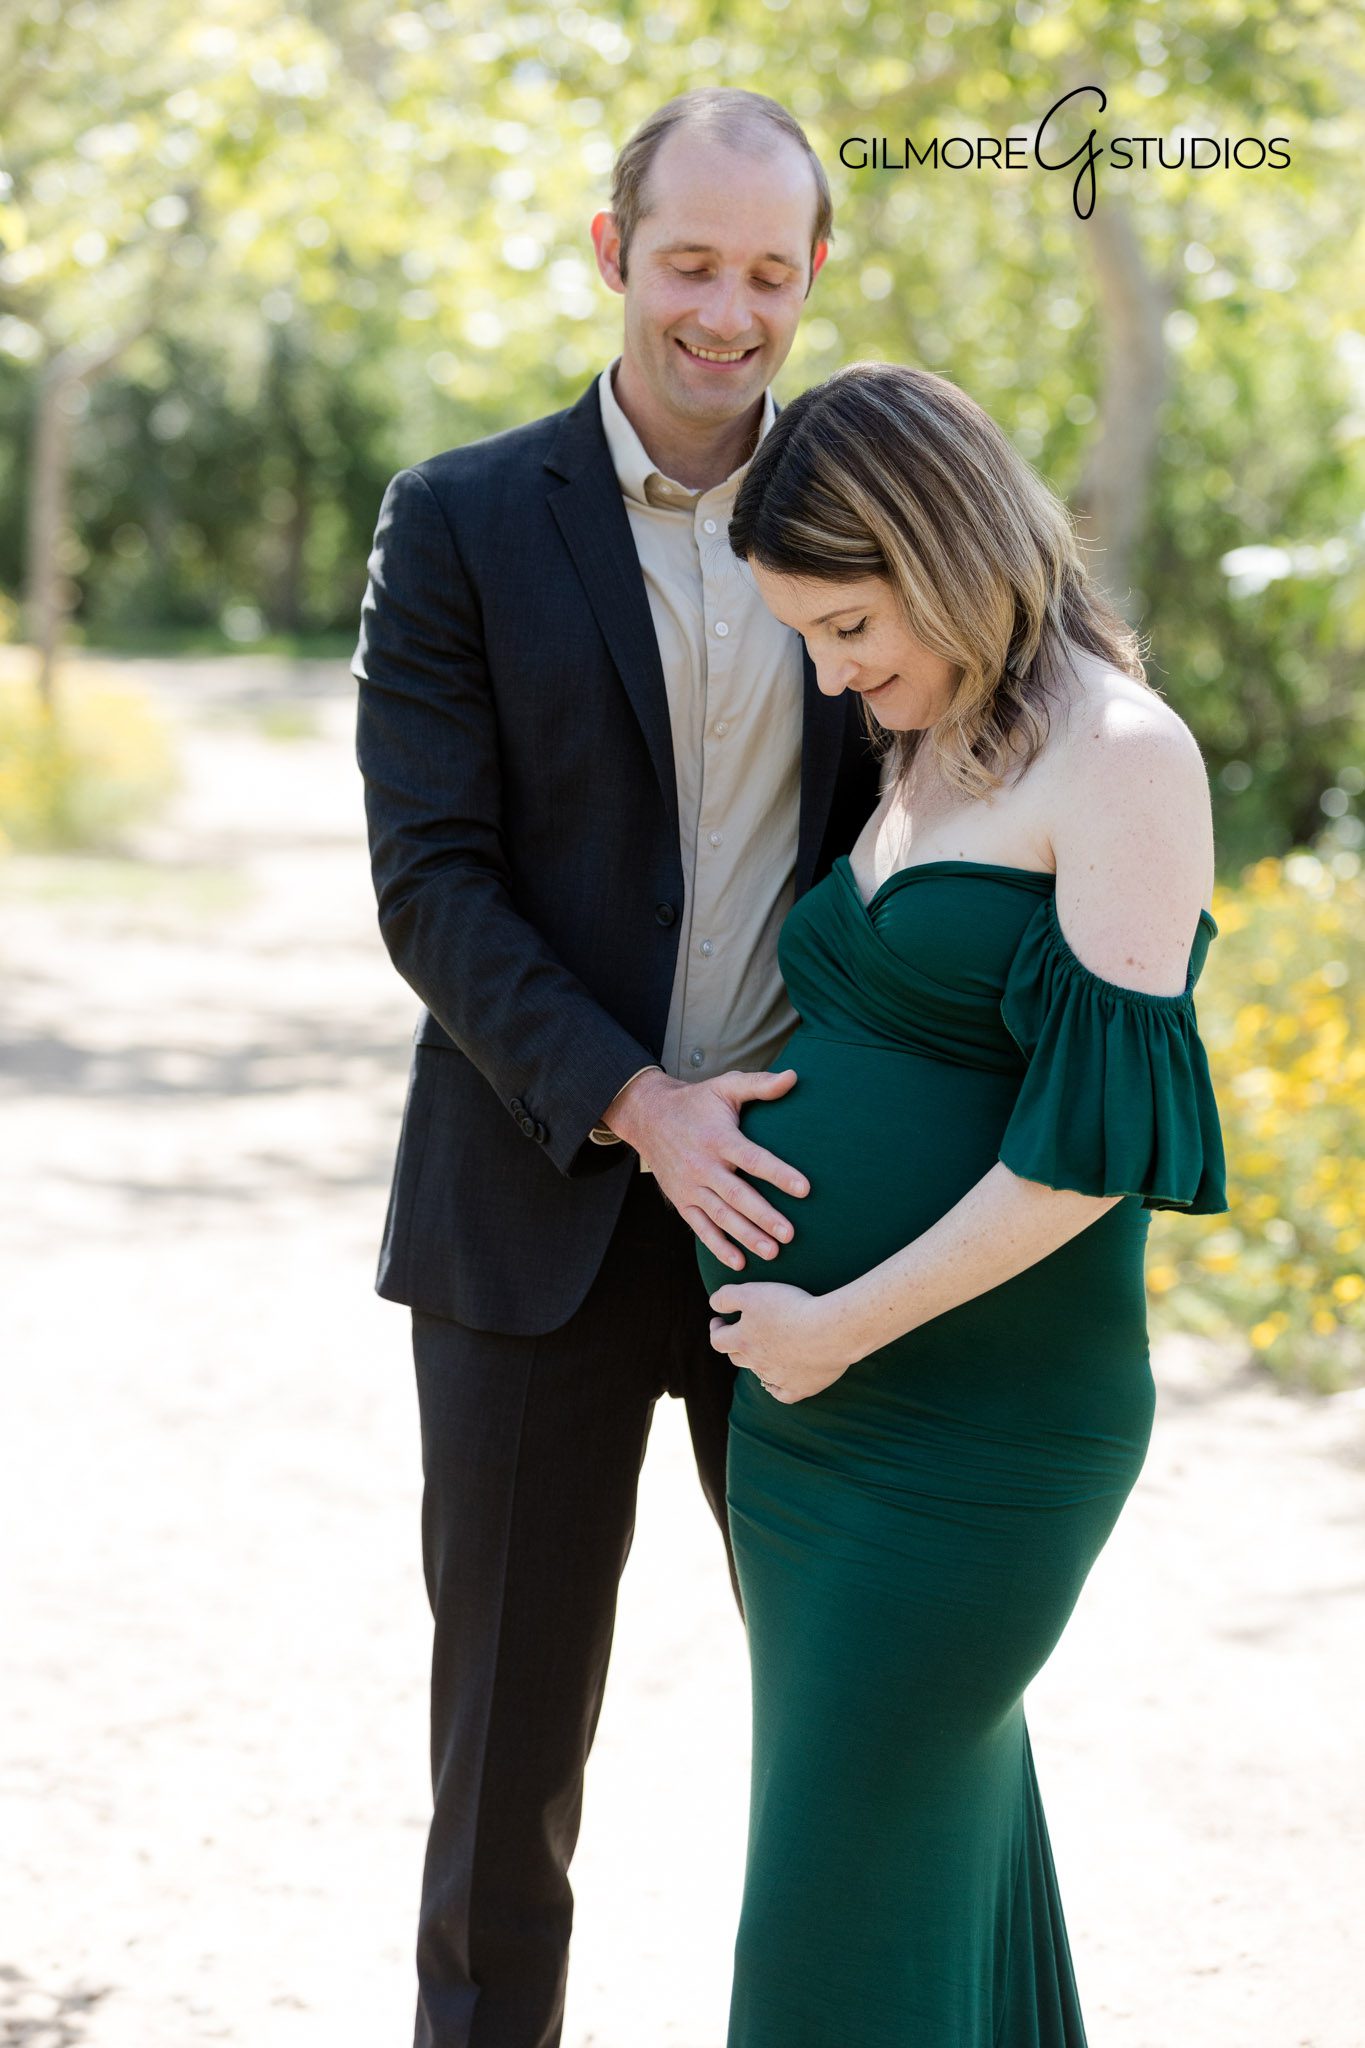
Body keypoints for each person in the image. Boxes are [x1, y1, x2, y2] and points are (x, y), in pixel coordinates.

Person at [351, 90, 879, 2048]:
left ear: (808, 273)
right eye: (688, 263)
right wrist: (632, 1097)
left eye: (765, 270)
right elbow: (431, 881)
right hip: (535, 1202)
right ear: (608, 253)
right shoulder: (462, 517)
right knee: (504, 1772)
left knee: (863, 1735)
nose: (724, 312)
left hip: (816, 1217)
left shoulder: (872, 505)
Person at [693, 360, 1230, 2046]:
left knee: (834, 1889)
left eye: (850, 626)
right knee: (923, 1847)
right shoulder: (928, 743)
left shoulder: (1122, 756)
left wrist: (827, 1329)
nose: (837, 675)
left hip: (973, 1430)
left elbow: (1089, 1153)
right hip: (814, 1422)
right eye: (811, 638)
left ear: (942, 549)